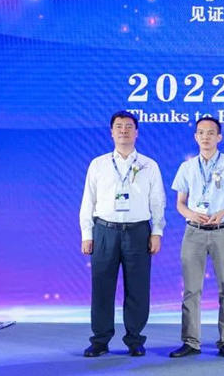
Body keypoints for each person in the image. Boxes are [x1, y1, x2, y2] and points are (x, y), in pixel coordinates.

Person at [79, 110, 165, 357]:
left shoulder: (149, 165)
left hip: (138, 232)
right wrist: (87, 234)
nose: (124, 131)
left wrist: (157, 231)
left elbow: (157, 201)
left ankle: (135, 339)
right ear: (111, 132)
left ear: (136, 132)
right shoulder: (98, 164)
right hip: (104, 231)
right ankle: (100, 340)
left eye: (129, 127)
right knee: (102, 287)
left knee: (138, 288)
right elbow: (88, 200)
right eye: (119, 126)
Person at [169, 117, 224, 358]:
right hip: (194, 232)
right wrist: (191, 213)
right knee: (191, 290)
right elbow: (180, 203)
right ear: (196, 137)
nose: (206, 137)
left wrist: (223, 212)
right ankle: (191, 342)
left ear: (219, 137)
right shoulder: (187, 167)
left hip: (222, 230)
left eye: (211, 133)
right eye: (201, 133)